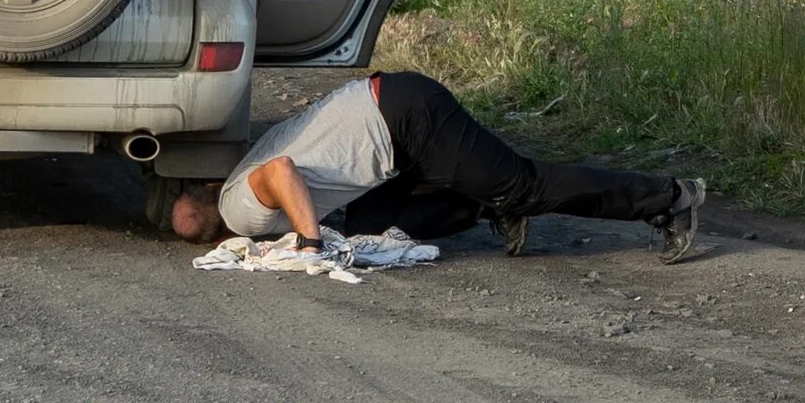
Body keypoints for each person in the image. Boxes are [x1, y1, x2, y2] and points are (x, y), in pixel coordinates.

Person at [169, 69, 706, 263]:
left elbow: (281, 171)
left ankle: (670, 198)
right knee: (360, 224)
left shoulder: (240, 212)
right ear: (207, 188)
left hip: (404, 118)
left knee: (521, 184)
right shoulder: (236, 179)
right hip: (389, 113)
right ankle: (482, 202)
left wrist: (308, 245)